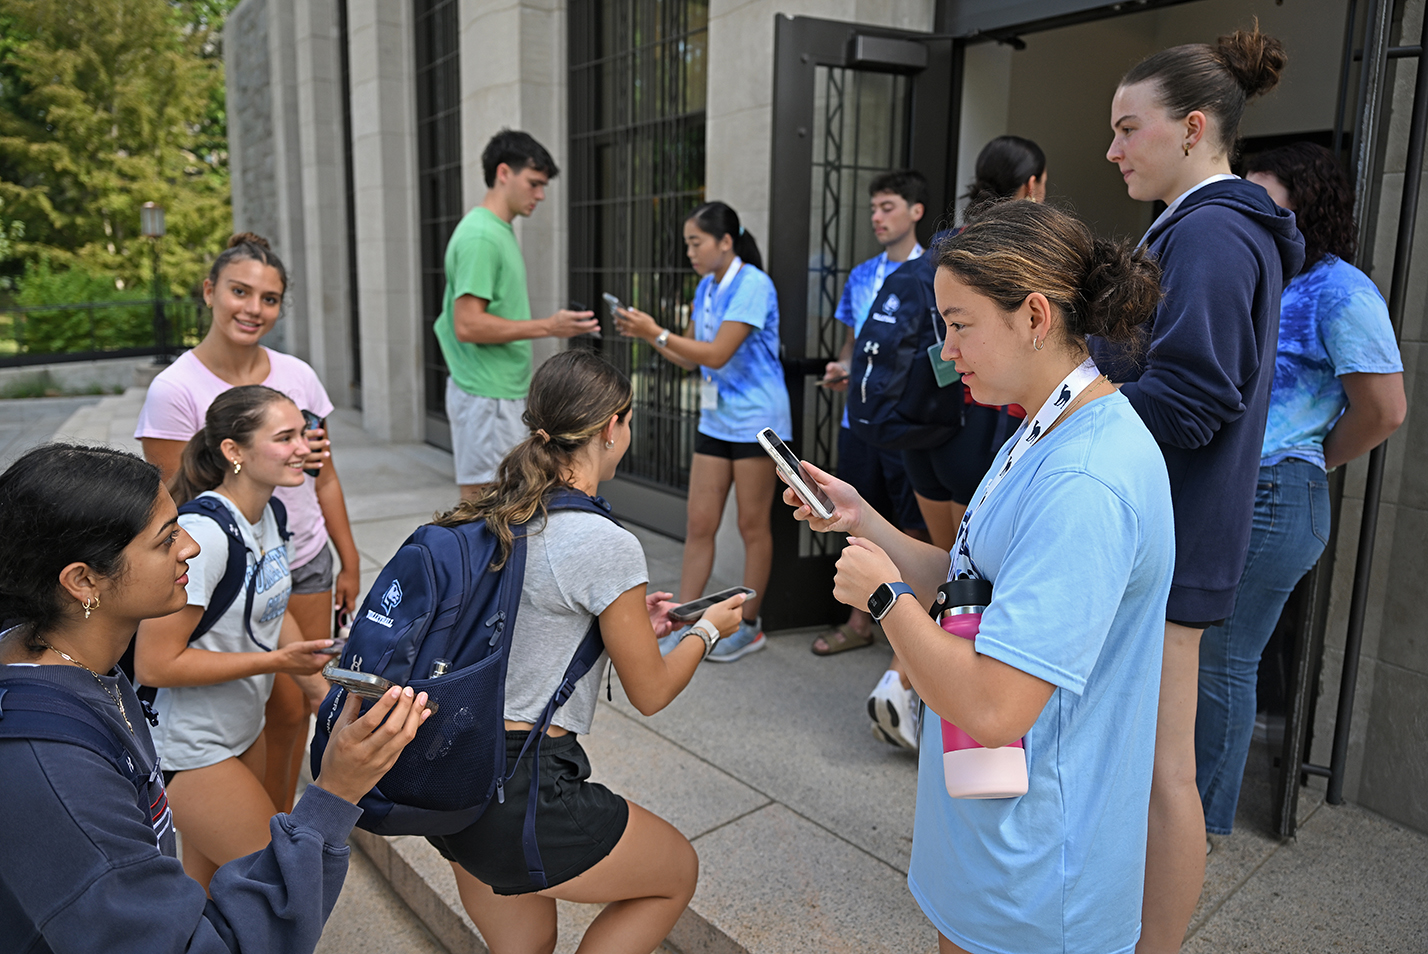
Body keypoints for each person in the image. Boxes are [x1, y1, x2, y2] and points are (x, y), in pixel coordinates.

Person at [784, 200, 1173, 954]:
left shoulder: (1087, 480)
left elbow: (996, 707)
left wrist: (883, 600)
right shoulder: (1043, 424)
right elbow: (968, 582)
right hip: (998, 832)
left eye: (960, 324)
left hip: (1040, 869)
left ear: (1033, 316)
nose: (946, 348)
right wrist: (865, 521)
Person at [0, 442, 429, 953]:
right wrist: (336, 792)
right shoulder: (51, 764)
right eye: (165, 541)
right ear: (83, 580)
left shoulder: (72, 661)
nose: (191, 548)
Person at [423, 349, 745, 954]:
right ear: (610, 428)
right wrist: (706, 632)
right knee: (674, 873)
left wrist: (624, 625)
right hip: (523, 784)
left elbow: (529, 625)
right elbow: (650, 693)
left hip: (455, 770)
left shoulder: (498, 511)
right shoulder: (604, 541)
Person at [1098, 27, 1304, 953]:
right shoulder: (1200, 224)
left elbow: (1191, 399)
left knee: (1162, 773)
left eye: (1126, 128)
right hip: (1165, 531)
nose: (1112, 150)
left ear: (1190, 128)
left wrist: (1072, 413)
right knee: (1148, 765)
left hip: (1175, 539)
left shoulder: (1216, 230)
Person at [1195, 143, 1405, 836]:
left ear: (1307, 206)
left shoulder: (1343, 290)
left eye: (1264, 198)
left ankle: (1199, 830)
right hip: (1228, 490)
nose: (1249, 213)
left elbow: (1384, 411)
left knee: (1221, 661)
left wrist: (1309, 458)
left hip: (1277, 493)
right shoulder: (1257, 273)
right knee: (1196, 655)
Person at [135, 232, 359, 814]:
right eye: (240, 291)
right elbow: (172, 507)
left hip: (291, 555)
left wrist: (348, 558)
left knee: (289, 706)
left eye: (269, 298)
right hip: (220, 569)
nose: (253, 308)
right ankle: (247, 825)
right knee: (256, 695)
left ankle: (274, 823)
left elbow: (325, 475)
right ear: (209, 291)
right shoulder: (175, 389)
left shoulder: (298, 377)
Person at [859, 137, 1045, 750]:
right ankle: (913, 680)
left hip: (921, 431)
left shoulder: (946, 247)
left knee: (946, 559)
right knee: (970, 580)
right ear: (1034, 185)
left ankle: (907, 679)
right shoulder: (1014, 252)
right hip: (974, 433)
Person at [135, 385, 343, 890]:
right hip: (188, 745)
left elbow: (273, 612)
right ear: (234, 452)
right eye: (285, 437)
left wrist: (316, 688)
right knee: (280, 884)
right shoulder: (203, 536)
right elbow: (155, 665)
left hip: (240, 728)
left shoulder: (271, 512)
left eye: (305, 433)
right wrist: (275, 664)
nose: (305, 447)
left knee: (208, 892)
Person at [614, 201, 792, 662]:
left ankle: (750, 626)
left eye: (697, 242)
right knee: (699, 523)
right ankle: (681, 621)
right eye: (688, 243)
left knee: (752, 525)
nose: (690, 252)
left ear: (725, 241)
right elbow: (692, 356)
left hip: (758, 422)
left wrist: (656, 331)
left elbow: (716, 354)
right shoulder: (706, 286)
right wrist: (647, 335)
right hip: (716, 419)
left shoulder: (753, 284)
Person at [434, 128, 599, 501]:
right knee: (485, 505)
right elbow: (467, 324)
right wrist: (549, 326)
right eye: (534, 183)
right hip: (486, 394)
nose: (540, 195)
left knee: (503, 502)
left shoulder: (497, 230)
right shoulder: (481, 236)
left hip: (496, 393)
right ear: (504, 173)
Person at [813, 169, 929, 657]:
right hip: (859, 421)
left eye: (888, 207)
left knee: (915, 525)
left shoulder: (936, 272)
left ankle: (918, 633)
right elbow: (852, 347)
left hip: (911, 424)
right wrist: (843, 370)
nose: (878, 218)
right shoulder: (862, 276)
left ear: (915, 211)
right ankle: (859, 620)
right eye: (873, 209)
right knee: (856, 520)